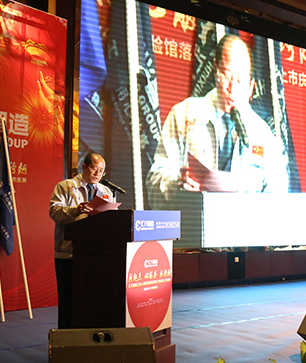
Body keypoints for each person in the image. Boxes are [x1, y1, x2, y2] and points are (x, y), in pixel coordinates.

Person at [147, 34, 289, 209]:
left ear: (251, 86)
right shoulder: (183, 114)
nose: (232, 88)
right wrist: (176, 183)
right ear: (215, 69)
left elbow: (278, 196)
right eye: (226, 76)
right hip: (193, 220)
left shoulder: (262, 134)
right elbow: (153, 184)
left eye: (240, 80)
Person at [48, 152, 115, 329]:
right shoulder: (65, 186)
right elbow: (54, 212)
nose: (98, 174)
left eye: (101, 171)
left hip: (97, 256)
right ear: (84, 166)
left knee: (92, 300)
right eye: (94, 168)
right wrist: (76, 210)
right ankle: (66, 339)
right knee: (68, 300)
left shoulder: (106, 191)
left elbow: (112, 221)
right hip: (68, 254)